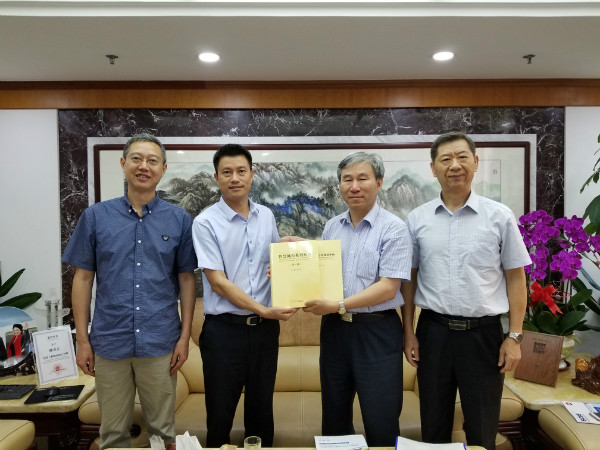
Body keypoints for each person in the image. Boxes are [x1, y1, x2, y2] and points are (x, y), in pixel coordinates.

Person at [62, 133, 197, 450]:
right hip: (110, 340)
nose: (144, 166)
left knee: (162, 433)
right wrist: (82, 340)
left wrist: (184, 338)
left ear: (163, 169)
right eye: (136, 158)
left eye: (152, 160)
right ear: (123, 163)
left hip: (160, 340)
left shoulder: (179, 219)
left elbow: (187, 280)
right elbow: (82, 279)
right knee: (112, 434)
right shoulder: (96, 217)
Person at [401, 131, 531, 450]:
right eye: (445, 159)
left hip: (483, 336)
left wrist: (515, 337)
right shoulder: (417, 219)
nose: (454, 165)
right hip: (433, 333)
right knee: (433, 425)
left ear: (475, 162)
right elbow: (409, 281)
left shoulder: (499, 216)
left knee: (482, 428)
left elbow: (516, 278)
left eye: (462, 157)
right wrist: (409, 333)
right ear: (433, 169)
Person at [192, 143, 298, 447]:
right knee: (220, 413)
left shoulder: (266, 216)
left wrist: (291, 251)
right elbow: (217, 282)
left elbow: (272, 263)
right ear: (216, 178)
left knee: (261, 410)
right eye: (227, 172)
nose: (235, 178)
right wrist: (263, 309)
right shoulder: (205, 222)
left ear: (252, 174)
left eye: (241, 171)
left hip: (265, 332)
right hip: (224, 331)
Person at [303, 152, 412, 447]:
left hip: (377, 331)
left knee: (381, 417)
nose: (354, 186)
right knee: (334, 415)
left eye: (362, 178)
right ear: (339, 184)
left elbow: (388, 287)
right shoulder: (332, 226)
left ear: (379, 182)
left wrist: (339, 305)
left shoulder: (394, 228)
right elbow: (322, 272)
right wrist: (294, 262)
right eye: (347, 179)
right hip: (335, 330)